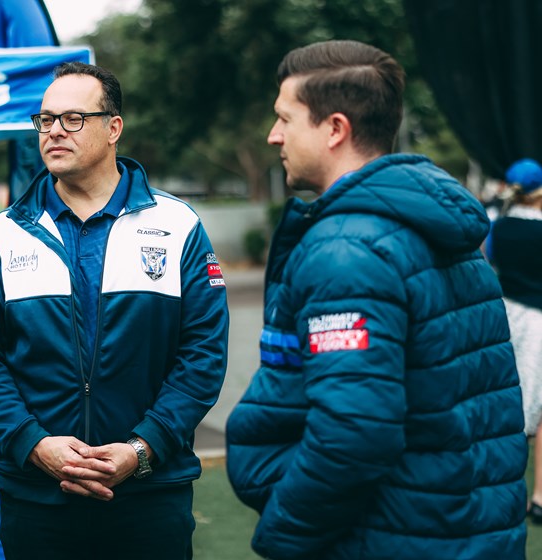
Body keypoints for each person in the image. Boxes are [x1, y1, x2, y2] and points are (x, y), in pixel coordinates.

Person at [225, 40, 527, 560]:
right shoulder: (439, 227)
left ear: (335, 129)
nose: (274, 135)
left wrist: (284, 533)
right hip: (465, 531)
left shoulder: (346, 249)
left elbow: (352, 434)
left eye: (285, 119)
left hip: (393, 536)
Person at [0, 62, 229, 560]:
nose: (54, 131)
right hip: (37, 499)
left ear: (113, 128)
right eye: (45, 120)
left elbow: (203, 355)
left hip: (150, 496)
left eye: (73, 118)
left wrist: (142, 449)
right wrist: (31, 443)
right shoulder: (5, 234)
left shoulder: (178, 226)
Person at [490, 157, 542, 524]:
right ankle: (539, 496)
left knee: (509, 402)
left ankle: (506, 491)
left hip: (507, 317)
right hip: (539, 321)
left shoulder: (499, 227)